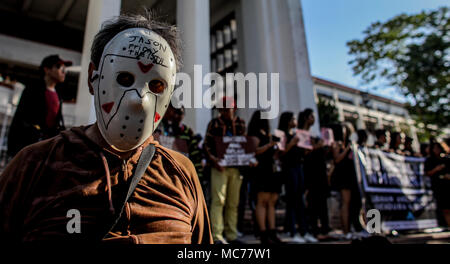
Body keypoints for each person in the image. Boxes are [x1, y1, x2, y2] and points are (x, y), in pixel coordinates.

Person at [0, 13, 212, 243]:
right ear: (94, 77)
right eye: (124, 78)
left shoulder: (180, 174)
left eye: (156, 85)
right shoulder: (34, 165)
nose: (139, 99)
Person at [7, 55, 71, 157]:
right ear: (47, 70)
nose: (64, 72)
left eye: (65, 69)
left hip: (47, 147)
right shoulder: (33, 90)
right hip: (29, 146)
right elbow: (21, 119)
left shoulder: (58, 95)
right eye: (59, 67)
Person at [204, 96, 247, 244]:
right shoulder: (214, 123)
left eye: (226, 109)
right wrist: (215, 161)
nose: (223, 112)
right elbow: (206, 145)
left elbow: (244, 144)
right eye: (221, 109)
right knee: (218, 201)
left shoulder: (241, 123)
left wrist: (248, 159)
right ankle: (217, 236)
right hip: (219, 168)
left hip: (236, 169)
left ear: (233, 109)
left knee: (233, 203)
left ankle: (232, 235)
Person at [279, 111, 317, 243]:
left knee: (300, 200)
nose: (295, 121)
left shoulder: (296, 134)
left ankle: (304, 231)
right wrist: (291, 143)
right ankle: (292, 231)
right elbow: (280, 153)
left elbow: (302, 153)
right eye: (293, 119)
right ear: (287, 120)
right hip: (289, 169)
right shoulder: (282, 134)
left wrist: (307, 148)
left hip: (298, 167)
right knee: (292, 199)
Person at [248, 110, 283, 244]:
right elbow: (253, 151)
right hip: (260, 170)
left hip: (271, 170)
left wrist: (276, 149)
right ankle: (263, 232)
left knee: (272, 202)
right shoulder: (254, 134)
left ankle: (272, 231)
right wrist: (269, 145)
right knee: (261, 201)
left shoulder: (268, 134)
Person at [301, 109, 331, 239]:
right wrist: (316, 147)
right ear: (306, 118)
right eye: (311, 116)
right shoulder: (301, 134)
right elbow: (303, 154)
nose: (313, 119)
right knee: (312, 203)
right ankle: (314, 229)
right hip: (310, 174)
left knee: (322, 203)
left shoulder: (315, 135)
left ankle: (325, 229)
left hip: (320, 173)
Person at [329, 123, 362, 239]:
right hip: (342, 177)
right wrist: (348, 148)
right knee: (345, 203)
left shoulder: (348, 143)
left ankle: (352, 228)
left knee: (352, 204)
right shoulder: (337, 144)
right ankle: (345, 230)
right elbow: (337, 159)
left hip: (351, 176)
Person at [425, 140, 450, 228]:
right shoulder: (430, 160)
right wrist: (437, 169)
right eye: (434, 148)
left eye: (438, 147)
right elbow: (427, 173)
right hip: (439, 187)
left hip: (448, 185)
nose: (436, 150)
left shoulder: (447, 159)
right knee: (445, 208)